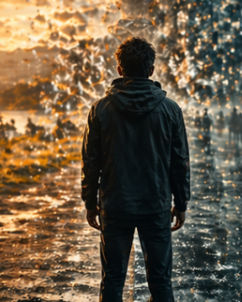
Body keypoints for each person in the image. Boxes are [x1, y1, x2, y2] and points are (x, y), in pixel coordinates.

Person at [81, 37, 189, 302]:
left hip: (115, 204)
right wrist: (181, 202)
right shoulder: (170, 110)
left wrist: (90, 202)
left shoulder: (100, 109)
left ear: (119, 69)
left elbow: (91, 162)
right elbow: (179, 161)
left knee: (113, 281)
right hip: (156, 205)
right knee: (161, 282)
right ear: (151, 70)